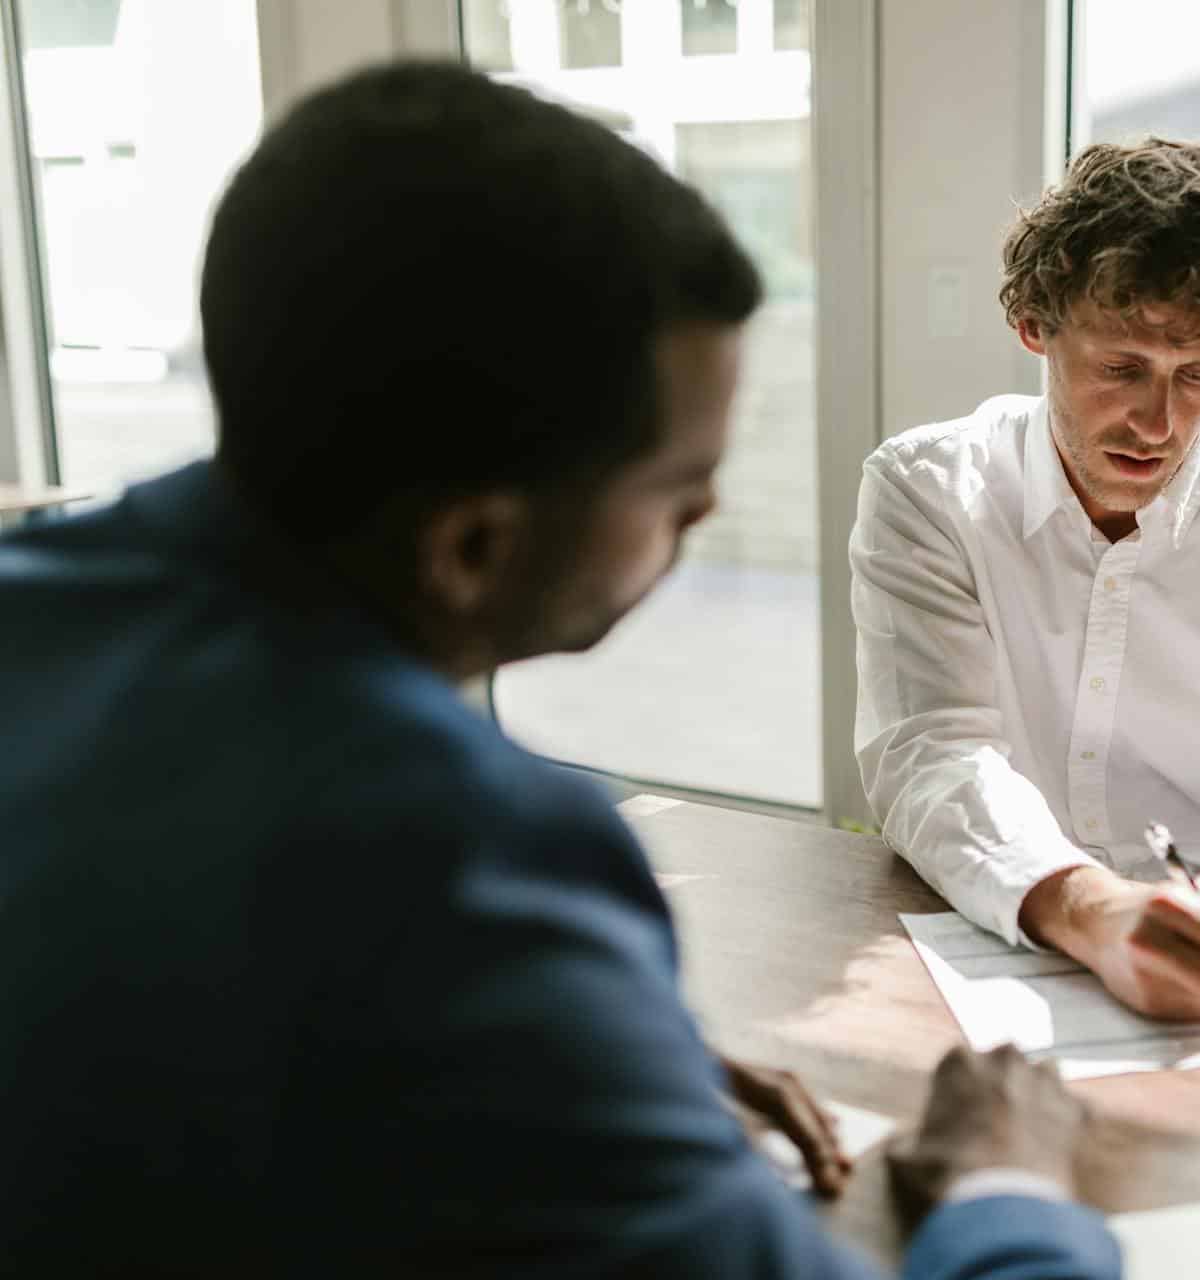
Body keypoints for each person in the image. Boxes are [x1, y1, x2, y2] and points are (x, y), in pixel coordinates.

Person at [0, 62, 1117, 1279]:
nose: (711, 508)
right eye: (676, 492)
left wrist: (573, 1060)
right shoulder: (468, 858)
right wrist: (1011, 1186)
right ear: (474, 545)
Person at [852, 138, 1200, 1022]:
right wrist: (1094, 908)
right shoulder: (929, 491)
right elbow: (930, 752)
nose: (1158, 423)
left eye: (1197, 378)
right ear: (1035, 326)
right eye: (1121, 369)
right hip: (975, 949)